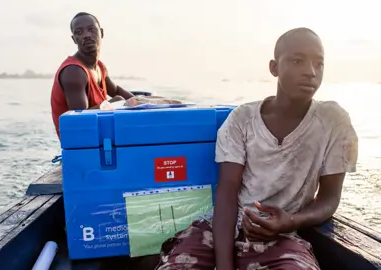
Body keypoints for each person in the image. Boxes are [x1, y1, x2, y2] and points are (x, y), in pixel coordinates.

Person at [155, 27, 359, 270]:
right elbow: (227, 192)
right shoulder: (242, 119)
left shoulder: (333, 121)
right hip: (221, 230)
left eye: (319, 63)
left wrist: (290, 221)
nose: (310, 72)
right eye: (297, 61)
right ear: (274, 67)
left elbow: (329, 198)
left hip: (282, 236)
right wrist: (225, 265)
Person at [50, 12, 135, 139]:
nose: (86, 35)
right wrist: (113, 104)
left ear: (101, 32)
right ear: (74, 39)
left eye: (91, 29)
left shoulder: (100, 68)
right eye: (79, 32)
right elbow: (80, 118)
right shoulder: (74, 71)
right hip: (80, 144)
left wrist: (144, 103)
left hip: (97, 137)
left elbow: (116, 90)